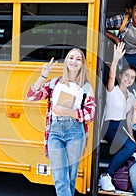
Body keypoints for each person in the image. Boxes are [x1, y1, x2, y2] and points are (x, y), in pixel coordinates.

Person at [26, 48, 95, 196]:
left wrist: (68, 112)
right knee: (59, 177)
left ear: (82, 64)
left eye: (78, 59)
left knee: (70, 176)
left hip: (75, 131)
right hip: (55, 131)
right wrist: (43, 76)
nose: (74, 61)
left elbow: (90, 114)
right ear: (66, 61)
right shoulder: (55, 83)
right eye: (71, 57)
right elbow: (31, 96)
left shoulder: (86, 87)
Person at [98, 42, 136, 192]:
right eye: (126, 76)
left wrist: (132, 135)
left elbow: (130, 120)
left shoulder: (131, 96)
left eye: (132, 77)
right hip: (109, 125)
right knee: (129, 146)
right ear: (120, 76)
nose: (129, 79)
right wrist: (117, 58)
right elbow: (111, 75)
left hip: (123, 127)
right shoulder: (113, 90)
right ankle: (106, 175)